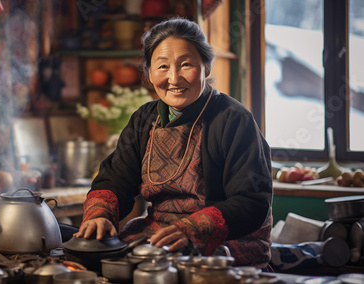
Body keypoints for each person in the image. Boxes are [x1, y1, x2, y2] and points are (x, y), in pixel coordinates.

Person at [74, 17, 273, 268]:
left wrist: (190, 229)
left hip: (228, 241)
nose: (174, 78)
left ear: (207, 68)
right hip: (159, 235)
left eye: (186, 64)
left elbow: (251, 201)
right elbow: (115, 179)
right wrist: (99, 216)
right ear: (149, 73)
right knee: (90, 256)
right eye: (163, 67)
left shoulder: (234, 119)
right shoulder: (144, 119)